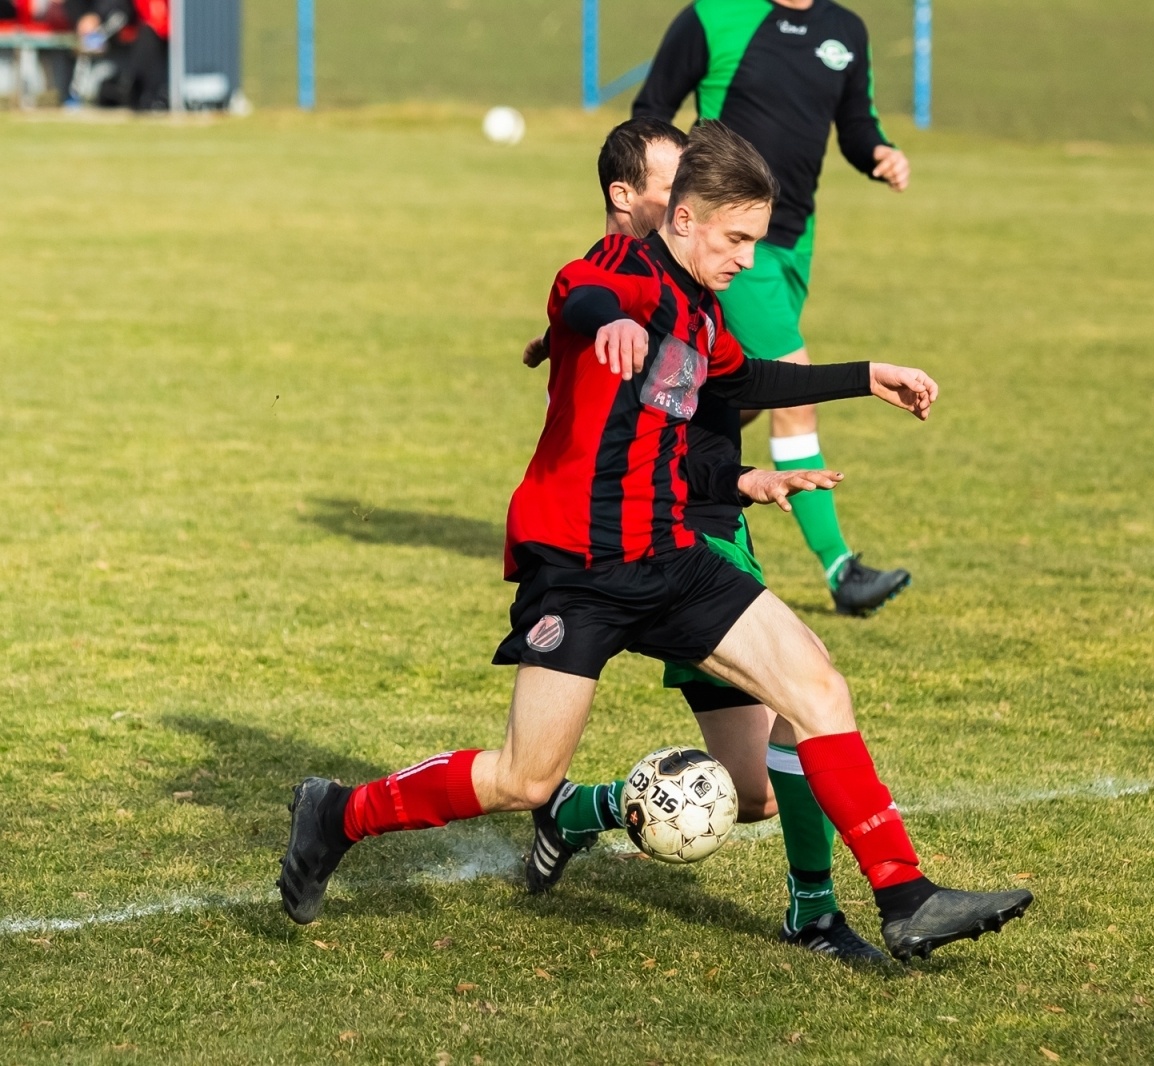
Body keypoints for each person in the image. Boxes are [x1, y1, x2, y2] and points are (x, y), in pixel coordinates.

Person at [278, 122, 1031, 961]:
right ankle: (337, 813)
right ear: (682, 219)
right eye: (736, 237)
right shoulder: (609, 277)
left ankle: (904, 895)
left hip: (672, 557)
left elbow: (747, 380)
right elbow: (580, 300)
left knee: (816, 685)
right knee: (525, 777)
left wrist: (866, 376)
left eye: (756, 239)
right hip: (580, 571)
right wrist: (613, 327)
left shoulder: (702, 313)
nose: (747, 257)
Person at [524, 118, 885, 962]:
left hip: (707, 528)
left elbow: (728, 382)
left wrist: (745, 471)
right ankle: (818, 912)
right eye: (670, 181)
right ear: (640, 202)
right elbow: (590, 310)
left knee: (754, 793)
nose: (683, 193)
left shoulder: (694, 293)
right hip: (648, 540)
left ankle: (583, 811)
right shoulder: (617, 282)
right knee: (811, 697)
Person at [633, 0, 915, 618]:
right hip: (723, 241)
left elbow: (856, 122)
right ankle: (841, 570)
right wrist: (682, 201)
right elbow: (651, 112)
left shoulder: (846, 30)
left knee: (732, 391)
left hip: (792, 242)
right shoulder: (714, 16)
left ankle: (646, 480)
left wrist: (880, 154)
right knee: (795, 388)